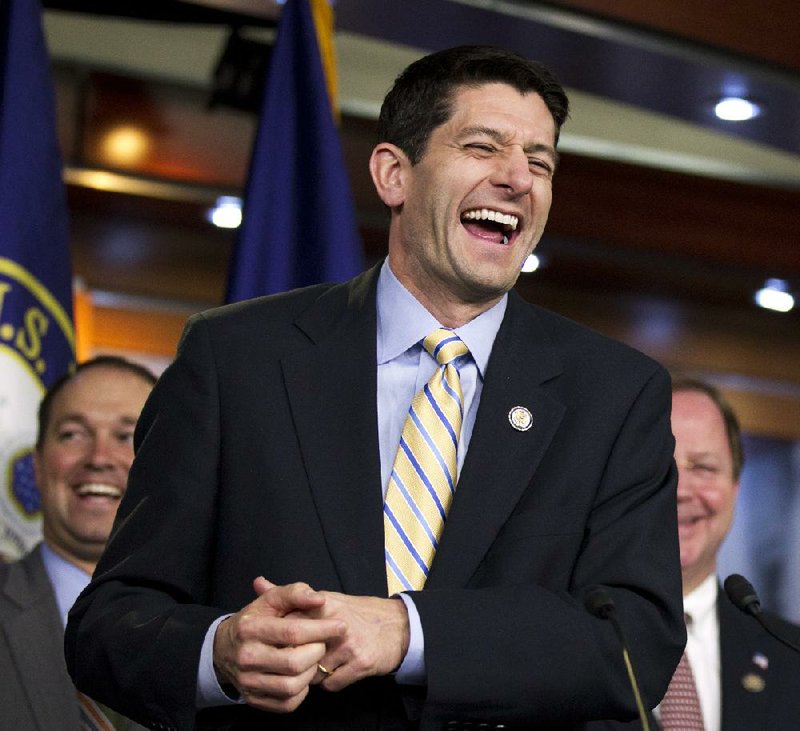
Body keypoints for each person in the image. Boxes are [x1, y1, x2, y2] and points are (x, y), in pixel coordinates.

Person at [65, 46, 685, 730]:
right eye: (484, 146)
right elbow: (109, 623)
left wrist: (408, 629)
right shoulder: (235, 358)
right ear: (394, 174)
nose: (518, 178)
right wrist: (220, 652)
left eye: (540, 162)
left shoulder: (616, 395)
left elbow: (635, 641)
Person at [596, 377, 800, 730]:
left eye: (704, 467)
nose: (680, 490)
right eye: (661, 467)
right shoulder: (565, 638)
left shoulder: (791, 657)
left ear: (735, 486)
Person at [0, 356, 156, 730]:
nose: (99, 459)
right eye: (73, 434)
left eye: (127, 436)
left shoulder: (225, 624)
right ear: (37, 466)